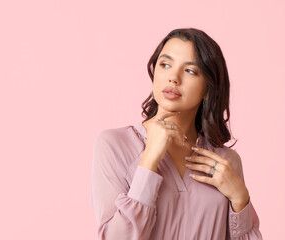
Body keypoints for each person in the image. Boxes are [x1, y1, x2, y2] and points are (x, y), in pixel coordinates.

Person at [91, 28, 262, 239]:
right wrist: (149, 160)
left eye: (190, 70)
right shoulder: (114, 145)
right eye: (165, 65)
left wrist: (240, 198)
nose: (173, 77)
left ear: (208, 88)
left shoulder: (226, 161)